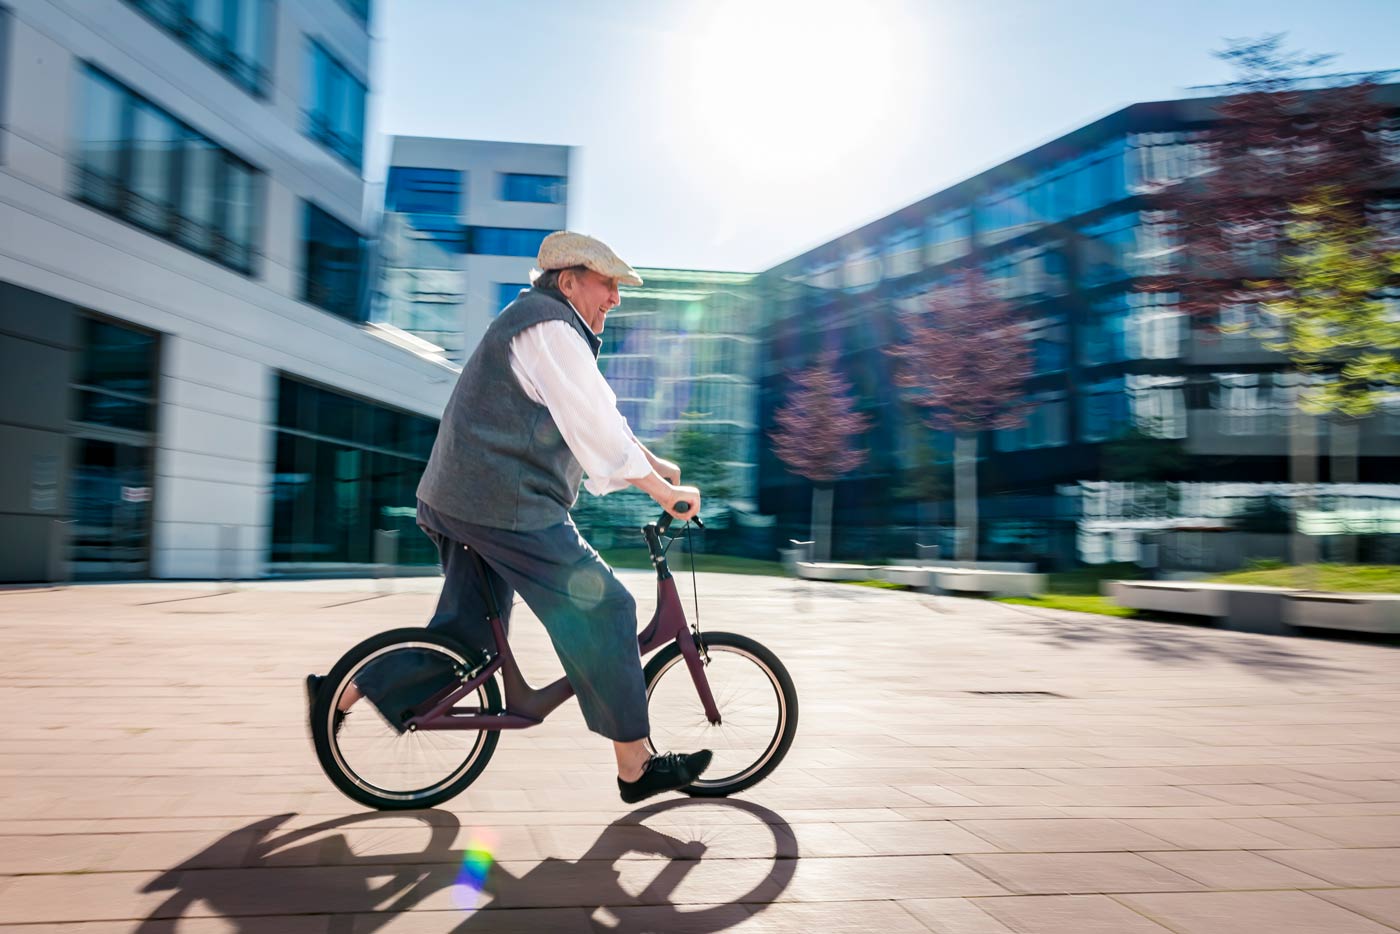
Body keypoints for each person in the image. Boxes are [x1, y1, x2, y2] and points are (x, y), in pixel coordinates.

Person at [307, 231, 710, 804]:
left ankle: (336, 693)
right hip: (502, 505)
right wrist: (659, 493)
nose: (616, 298)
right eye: (609, 284)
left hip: (464, 500)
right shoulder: (550, 326)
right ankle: (635, 767)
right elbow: (592, 423)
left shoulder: (543, 323)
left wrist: (653, 465)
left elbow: (600, 417)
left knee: (466, 637)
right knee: (607, 606)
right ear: (569, 280)